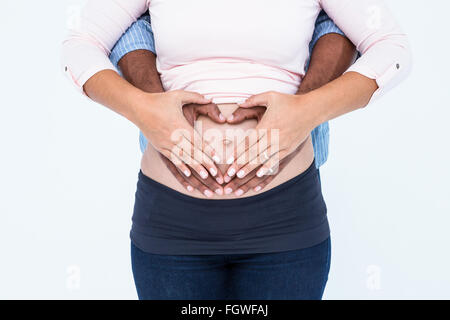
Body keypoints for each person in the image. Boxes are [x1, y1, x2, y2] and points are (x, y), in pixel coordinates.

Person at [61, 0, 411, 300]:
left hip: (284, 218)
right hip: (173, 221)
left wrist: (307, 111)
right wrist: (141, 108)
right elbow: (79, 43)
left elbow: (391, 47)